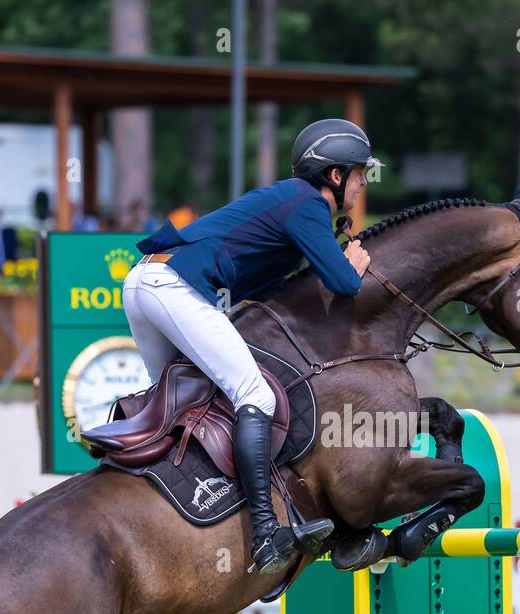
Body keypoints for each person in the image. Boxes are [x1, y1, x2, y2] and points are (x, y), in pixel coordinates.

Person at [124, 118, 374, 574]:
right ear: (335, 176)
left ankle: (167, 506)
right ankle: (264, 533)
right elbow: (342, 283)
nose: (362, 184)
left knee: (182, 405)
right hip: (174, 286)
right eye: (359, 174)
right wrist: (352, 265)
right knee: (254, 395)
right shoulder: (307, 205)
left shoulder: (289, 200)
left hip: (143, 280)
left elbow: (270, 290)